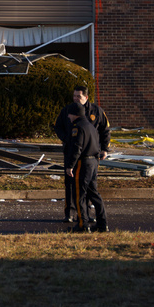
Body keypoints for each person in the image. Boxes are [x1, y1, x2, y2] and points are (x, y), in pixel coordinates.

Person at [53, 85, 110, 223]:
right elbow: (58, 127)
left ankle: (85, 215)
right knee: (70, 184)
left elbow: (105, 130)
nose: (76, 99)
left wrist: (105, 149)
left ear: (86, 97)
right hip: (72, 152)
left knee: (90, 186)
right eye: (74, 96)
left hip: (90, 155)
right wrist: (67, 139)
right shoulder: (68, 110)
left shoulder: (96, 111)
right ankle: (70, 213)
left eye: (78, 96)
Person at [65, 102, 108, 232]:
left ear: (75, 114)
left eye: (69, 114)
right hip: (94, 162)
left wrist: (70, 166)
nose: (68, 116)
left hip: (83, 163)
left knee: (79, 195)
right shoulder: (91, 127)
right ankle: (102, 224)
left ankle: (82, 225)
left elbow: (77, 148)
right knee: (94, 194)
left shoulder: (78, 127)